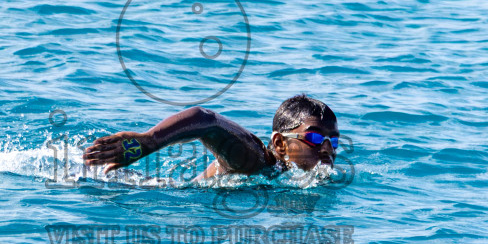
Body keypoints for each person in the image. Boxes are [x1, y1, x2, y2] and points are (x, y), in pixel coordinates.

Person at [83, 94, 340, 178]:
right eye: (315, 138)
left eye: (333, 141)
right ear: (279, 144)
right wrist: (149, 142)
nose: (327, 149)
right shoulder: (254, 161)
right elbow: (206, 119)